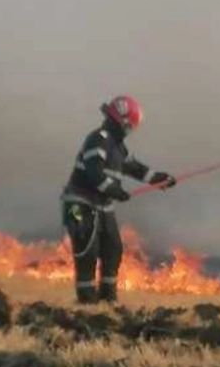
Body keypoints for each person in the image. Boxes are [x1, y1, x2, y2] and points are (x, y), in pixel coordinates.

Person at [59, 95, 176, 304]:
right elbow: (95, 173)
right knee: (88, 249)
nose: (130, 131)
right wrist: (114, 190)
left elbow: (134, 168)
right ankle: (87, 302)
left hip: (103, 206)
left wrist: (158, 179)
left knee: (112, 249)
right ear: (120, 121)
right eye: (129, 126)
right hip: (78, 205)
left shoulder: (118, 147)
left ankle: (108, 299)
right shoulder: (98, 139)